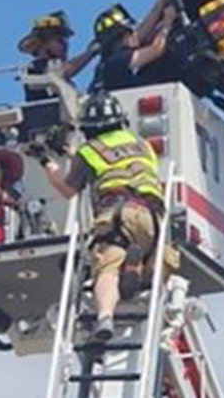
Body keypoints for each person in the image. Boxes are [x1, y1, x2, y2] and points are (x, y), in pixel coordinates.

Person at [31, 91, 167, 342]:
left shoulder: (89, 150)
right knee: (148, 264)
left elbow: (68, 189)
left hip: (117, 212)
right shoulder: (142, 145)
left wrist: (46, 162)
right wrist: (69, 152)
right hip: (152, 215)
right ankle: (134, 270)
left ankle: (105, 316)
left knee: (106, 267)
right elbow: (109, 162)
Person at [89, 0, 180, 91]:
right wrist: (168, 22)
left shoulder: (106, 66)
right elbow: (156, 49)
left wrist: (160, 3)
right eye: (130, 33)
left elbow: (141, 32)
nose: (134, 35)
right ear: (120, 38)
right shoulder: (118, 60)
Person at [17, 11, 99, 101]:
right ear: (44, 43)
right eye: (59, 40)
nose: (65, 45)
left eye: (65, 40)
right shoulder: (36, 67)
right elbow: (63, 71)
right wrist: (91, 52)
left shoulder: (62, 76)